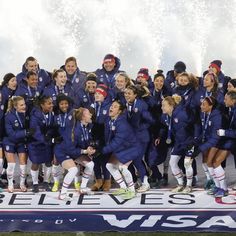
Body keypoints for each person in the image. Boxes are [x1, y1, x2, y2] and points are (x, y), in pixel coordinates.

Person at [102, 100, 140, 200]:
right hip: (121, 149)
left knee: (123, 167)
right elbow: (109, 138)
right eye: (111, 105)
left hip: (131, 148)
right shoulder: (109, 120)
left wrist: (102, 150)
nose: (111, 107)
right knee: (109, 165)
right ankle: (123, 187)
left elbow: (117, 142)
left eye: (115, 107)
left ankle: (132, 190)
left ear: (119, 111)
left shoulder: (122, 123)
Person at [54, 108, 96, 199]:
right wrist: (85, 151)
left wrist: (89, 147)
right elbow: (70, 150)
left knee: (90, 164)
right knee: (73, 170)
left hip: (74, 150)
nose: (91, 115)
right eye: (89, 114)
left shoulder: (86, 126)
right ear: (83, 117)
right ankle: (62, 194)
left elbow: (85, 141)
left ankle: (83, 188)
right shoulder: (75, 130)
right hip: (63, 151)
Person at [160, 95, 194, 193]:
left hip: (189, 142)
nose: (162, 107)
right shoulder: (166, 116)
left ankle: (189, 186)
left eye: (164, 105)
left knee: (187, 163)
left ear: (171, 106)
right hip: (179, 143)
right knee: (172, 162)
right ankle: (180, 184)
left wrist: (193, 141)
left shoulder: (181, 115)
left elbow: (193, 126)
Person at [124, 85, 154, 192]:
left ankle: (145, 182)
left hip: (141, 137)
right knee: (129, 160)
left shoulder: (142, 105)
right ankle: (136, 181)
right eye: (125, 93)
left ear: (135, 95)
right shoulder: (124, 105)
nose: (127, 95)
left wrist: (140, 127)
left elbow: (151, 120)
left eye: (129, 93)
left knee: (137, 159)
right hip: (129, 139)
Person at [191, 97, 222, 193]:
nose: (201, 106)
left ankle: (217, 184)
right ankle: (210, 179)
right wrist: (195, 142)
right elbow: (204, 130)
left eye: (204, 104)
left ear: (211, 106)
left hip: (218, 141)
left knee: (210, 162)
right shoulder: (203, 113)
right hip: (208, 139)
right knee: (204, 159)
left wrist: (199, 148)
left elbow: (215, 137)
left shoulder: (217, 116)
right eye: (201, 104)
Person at [3, 96, 34, 192]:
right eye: (21, 105)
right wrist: (25, 132)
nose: (24, 106)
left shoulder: (27, 113)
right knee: (11, 164)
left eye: (24, 104)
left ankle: (22, 183)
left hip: (21, 142)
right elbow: (11, 134)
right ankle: (10, 184)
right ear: (15, 106)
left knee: (23, 165)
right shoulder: (8, 116)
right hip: (10, 141)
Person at [28, 96, 58, 193]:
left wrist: (49, 136)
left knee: (48, 162)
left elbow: (52, 127)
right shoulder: (35, 115)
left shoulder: (51, 114)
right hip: (35, 142)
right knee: (36, 163)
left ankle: (46, 182)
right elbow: (35, 131)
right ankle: (35, 183)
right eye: (49, 103)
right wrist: (46, 139)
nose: (51, 105)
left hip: (47, 142)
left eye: (52, 103)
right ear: (42, 105)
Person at [51, 94, 78, 192]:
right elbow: (52, 128)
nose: (64, 106)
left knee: (74, 162)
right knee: (55, 162)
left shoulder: (73, 112)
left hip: (71, 142)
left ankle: (76, 182)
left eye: (66, 103)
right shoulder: (55, 114)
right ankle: (56, 182)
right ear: (58, 105)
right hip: (59, 143)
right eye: (61, 104)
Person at [90, 84, 112, 192]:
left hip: (104, 137)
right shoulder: (94, 105)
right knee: (95, 160)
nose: (97, 95)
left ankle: (107, 180)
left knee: (104, 160)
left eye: (99, 93)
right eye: (96, 93)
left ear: (104, 95)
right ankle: (98, 181)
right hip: (95, 136)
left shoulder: (108, 106)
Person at [216, 91, 236, 196]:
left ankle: (223, 189)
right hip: (231, 141)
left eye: (226, 99)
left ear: (233, 100)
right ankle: (222, 188)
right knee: (216, 162)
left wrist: (224, 132)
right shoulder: (231, 109)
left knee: (216, 162)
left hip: (232, 140)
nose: (224, 101)